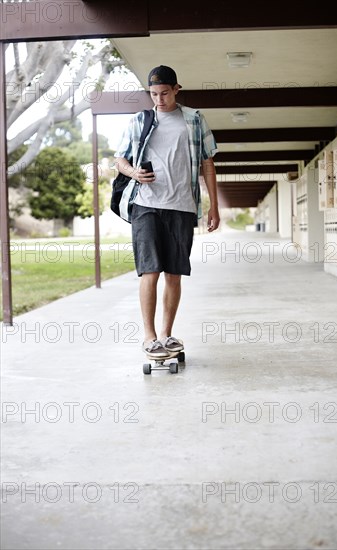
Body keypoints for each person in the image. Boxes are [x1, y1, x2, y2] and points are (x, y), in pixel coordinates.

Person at [114, 65, 220, 359]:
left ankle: (166, 334)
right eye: (153, 94)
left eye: (164, 93)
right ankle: (149, 337)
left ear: (176, 90)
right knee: (150, 270)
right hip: (146, 205)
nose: (158, 99)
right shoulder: (141, 120)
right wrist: (134, 173)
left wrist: (214, 204)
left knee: (174, 273)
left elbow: (208, 163)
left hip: (183, 207)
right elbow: (119, 159)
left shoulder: (194, 120)